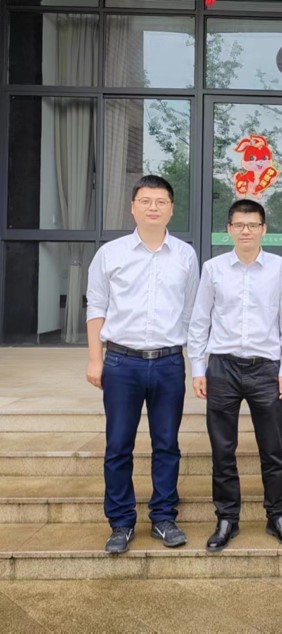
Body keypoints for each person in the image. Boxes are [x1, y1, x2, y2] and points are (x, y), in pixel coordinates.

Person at [86, 175, 199, 555]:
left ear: (171, 209)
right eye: (146, 201)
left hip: (168, 363)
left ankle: (164, 517)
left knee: (167, 444)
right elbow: (96, 307)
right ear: (133, 207)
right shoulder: (110, 253)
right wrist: (95, 359)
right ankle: (120, 523)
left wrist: (195, 363)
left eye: (161, 201)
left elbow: (191, 313)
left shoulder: (185, 255)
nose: (153, 207)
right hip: (122, 362)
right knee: (118, 445)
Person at [188, 199, 282, 551]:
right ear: (229, 229)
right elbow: (200, 319)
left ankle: (277, 516)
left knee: (272, 449)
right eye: (239, 225)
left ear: (264, 229)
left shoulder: (279, 268)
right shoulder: (213, 268)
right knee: (222, 450)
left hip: (266, 369)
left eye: (253, 225)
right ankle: (227, 518)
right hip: (222, 367)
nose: (246, 231)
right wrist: (198, 368)